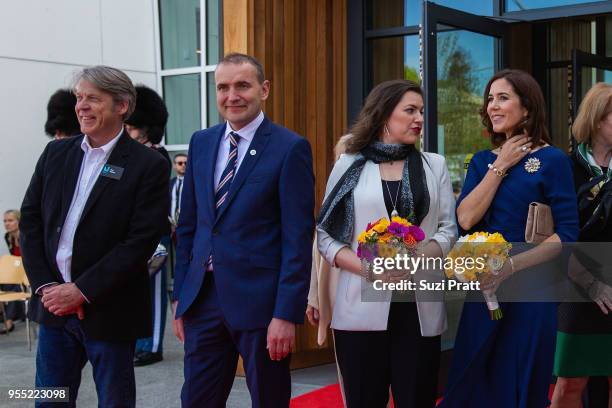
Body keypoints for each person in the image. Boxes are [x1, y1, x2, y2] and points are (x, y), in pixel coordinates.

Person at [20, 65, 170, 407]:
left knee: (114, 402)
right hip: (54, 310)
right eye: (79, 98)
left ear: (121, 106)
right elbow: (29, 221)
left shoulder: (149, 165)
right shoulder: (55, 154)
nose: (81, 107)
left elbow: (140, 241)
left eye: (93, 99)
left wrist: (81, 291)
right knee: (49, 401)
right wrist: (46, 288)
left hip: (110, 312)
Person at [172, 53, 315, 408]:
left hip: (261, 306)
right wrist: (180, 297)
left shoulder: (289, 148)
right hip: (202, 300)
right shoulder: (201, 142)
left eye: (242, 85)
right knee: (196, 400)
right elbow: (188, 226)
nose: (231, 95)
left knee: (268, 399)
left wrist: (285, 314)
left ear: (264, 90)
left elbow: (296, 238)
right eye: (223, 87)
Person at [313, 79, 458, 408]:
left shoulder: (434, 165)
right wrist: (369, 269)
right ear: (383, 117)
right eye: (409, 110)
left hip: (420, 306)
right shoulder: (349, 163)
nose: (418, 118)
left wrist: (417, 255)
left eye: (421, 111)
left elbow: (449, 229)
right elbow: (325, 235)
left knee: (417, 398)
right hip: (359, 307)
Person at [439, 69, 579, 408]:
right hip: (483, 290)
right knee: (472, 378)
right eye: (490, 99)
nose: (492, 106)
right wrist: (500, 165)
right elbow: (466, 218)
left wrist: (510, 266)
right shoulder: (483, 161)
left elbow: (567, 234)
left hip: (532, 293)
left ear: (528, 107)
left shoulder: (554, 160)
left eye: (503, 98)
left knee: (520, 381)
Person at [551, 82, 612, 408]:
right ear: (598, 119)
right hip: (576, 284)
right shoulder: (565, 166)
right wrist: (592, 284)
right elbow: (556, 235)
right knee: (571, 381)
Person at [124, 84, 172, 367]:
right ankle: (139, 341)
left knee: (154, 294)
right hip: (133, 234)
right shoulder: (133, 154)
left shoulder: (157, 155)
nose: (129, 131)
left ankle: (152, 345)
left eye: (133, 127)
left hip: (155, 234)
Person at [1, 209, 26, 334]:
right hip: (17, 269)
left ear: (19, 221)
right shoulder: (8, 237)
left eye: (10, 220)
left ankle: (9, 321)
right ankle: (4, 316)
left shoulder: (26, 236)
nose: (7, 224)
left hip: (27, 272)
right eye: (5, 221)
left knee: (13, 285)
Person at [170, 153, 187, 229]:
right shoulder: (170, 183)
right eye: (180, 163)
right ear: (174, 165)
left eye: (186, 163)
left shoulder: (193, 183)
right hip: (170, 227)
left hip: (187, 226)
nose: (183, 165)